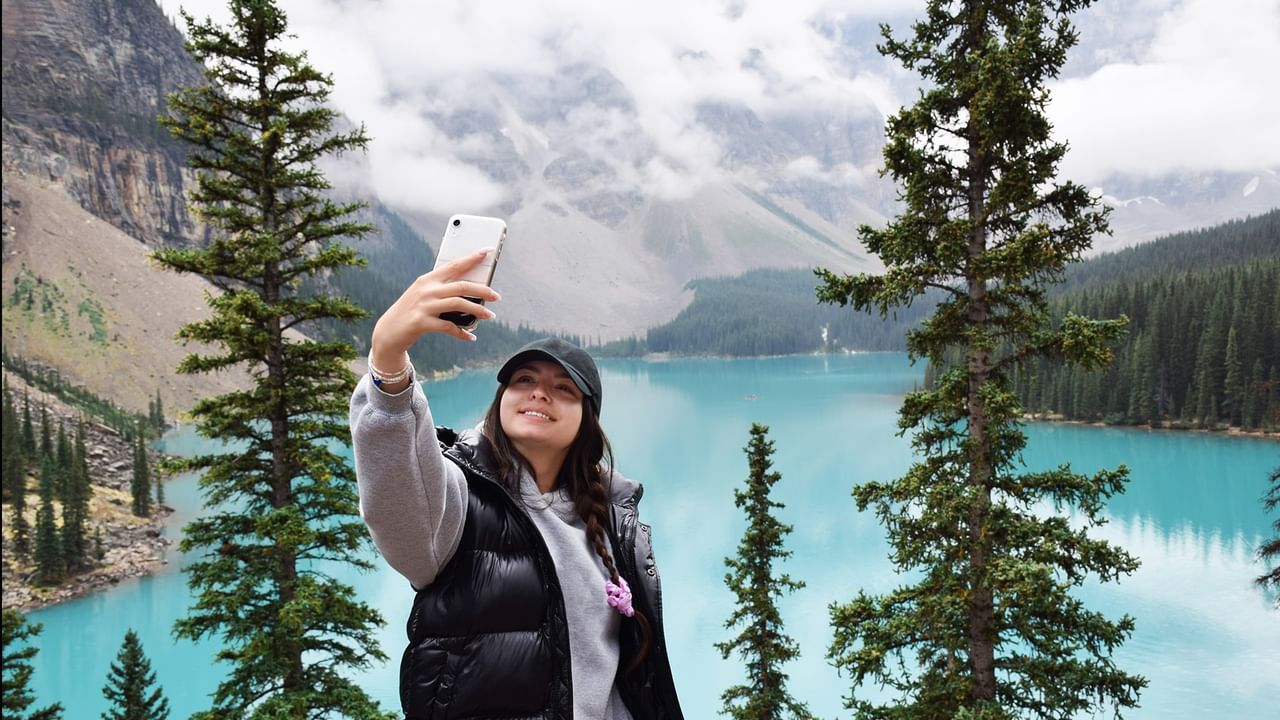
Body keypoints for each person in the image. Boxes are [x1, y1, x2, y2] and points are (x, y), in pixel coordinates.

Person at [350, 248, 684, 719]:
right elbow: (397, 506)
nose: (539, 392)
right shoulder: (461, 496)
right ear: (502, 398)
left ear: (586, 421)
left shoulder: (611, 517)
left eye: (564, 388)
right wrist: (388, 363)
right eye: (523, 379)